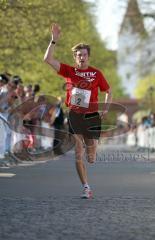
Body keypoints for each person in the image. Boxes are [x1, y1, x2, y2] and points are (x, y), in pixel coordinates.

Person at [44, 23, 112, 199]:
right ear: (75, 57)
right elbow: (48, 60)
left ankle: (93, 150)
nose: (82, 57)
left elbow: (109, 91)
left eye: (84, 55)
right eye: (79, 55)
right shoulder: (69, 70)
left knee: (91, 157)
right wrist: (53, 40)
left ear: (89, 56)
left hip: (92, 116)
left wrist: (105, 108)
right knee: (78, 151)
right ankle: (86, 187)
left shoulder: (96, 73)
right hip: (74, 115)